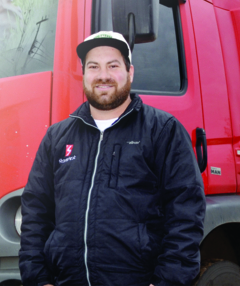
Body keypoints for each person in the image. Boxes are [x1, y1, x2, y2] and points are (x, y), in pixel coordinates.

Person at [18, 30, 205, 286]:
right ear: (84, 75)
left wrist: (167, 282)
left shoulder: (162, 130)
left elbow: (186, 213)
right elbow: (35, 213)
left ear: (130, 72)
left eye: (113, 65)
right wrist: (38, 280)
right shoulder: (57, 137)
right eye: (93, 67)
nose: (103, 75)